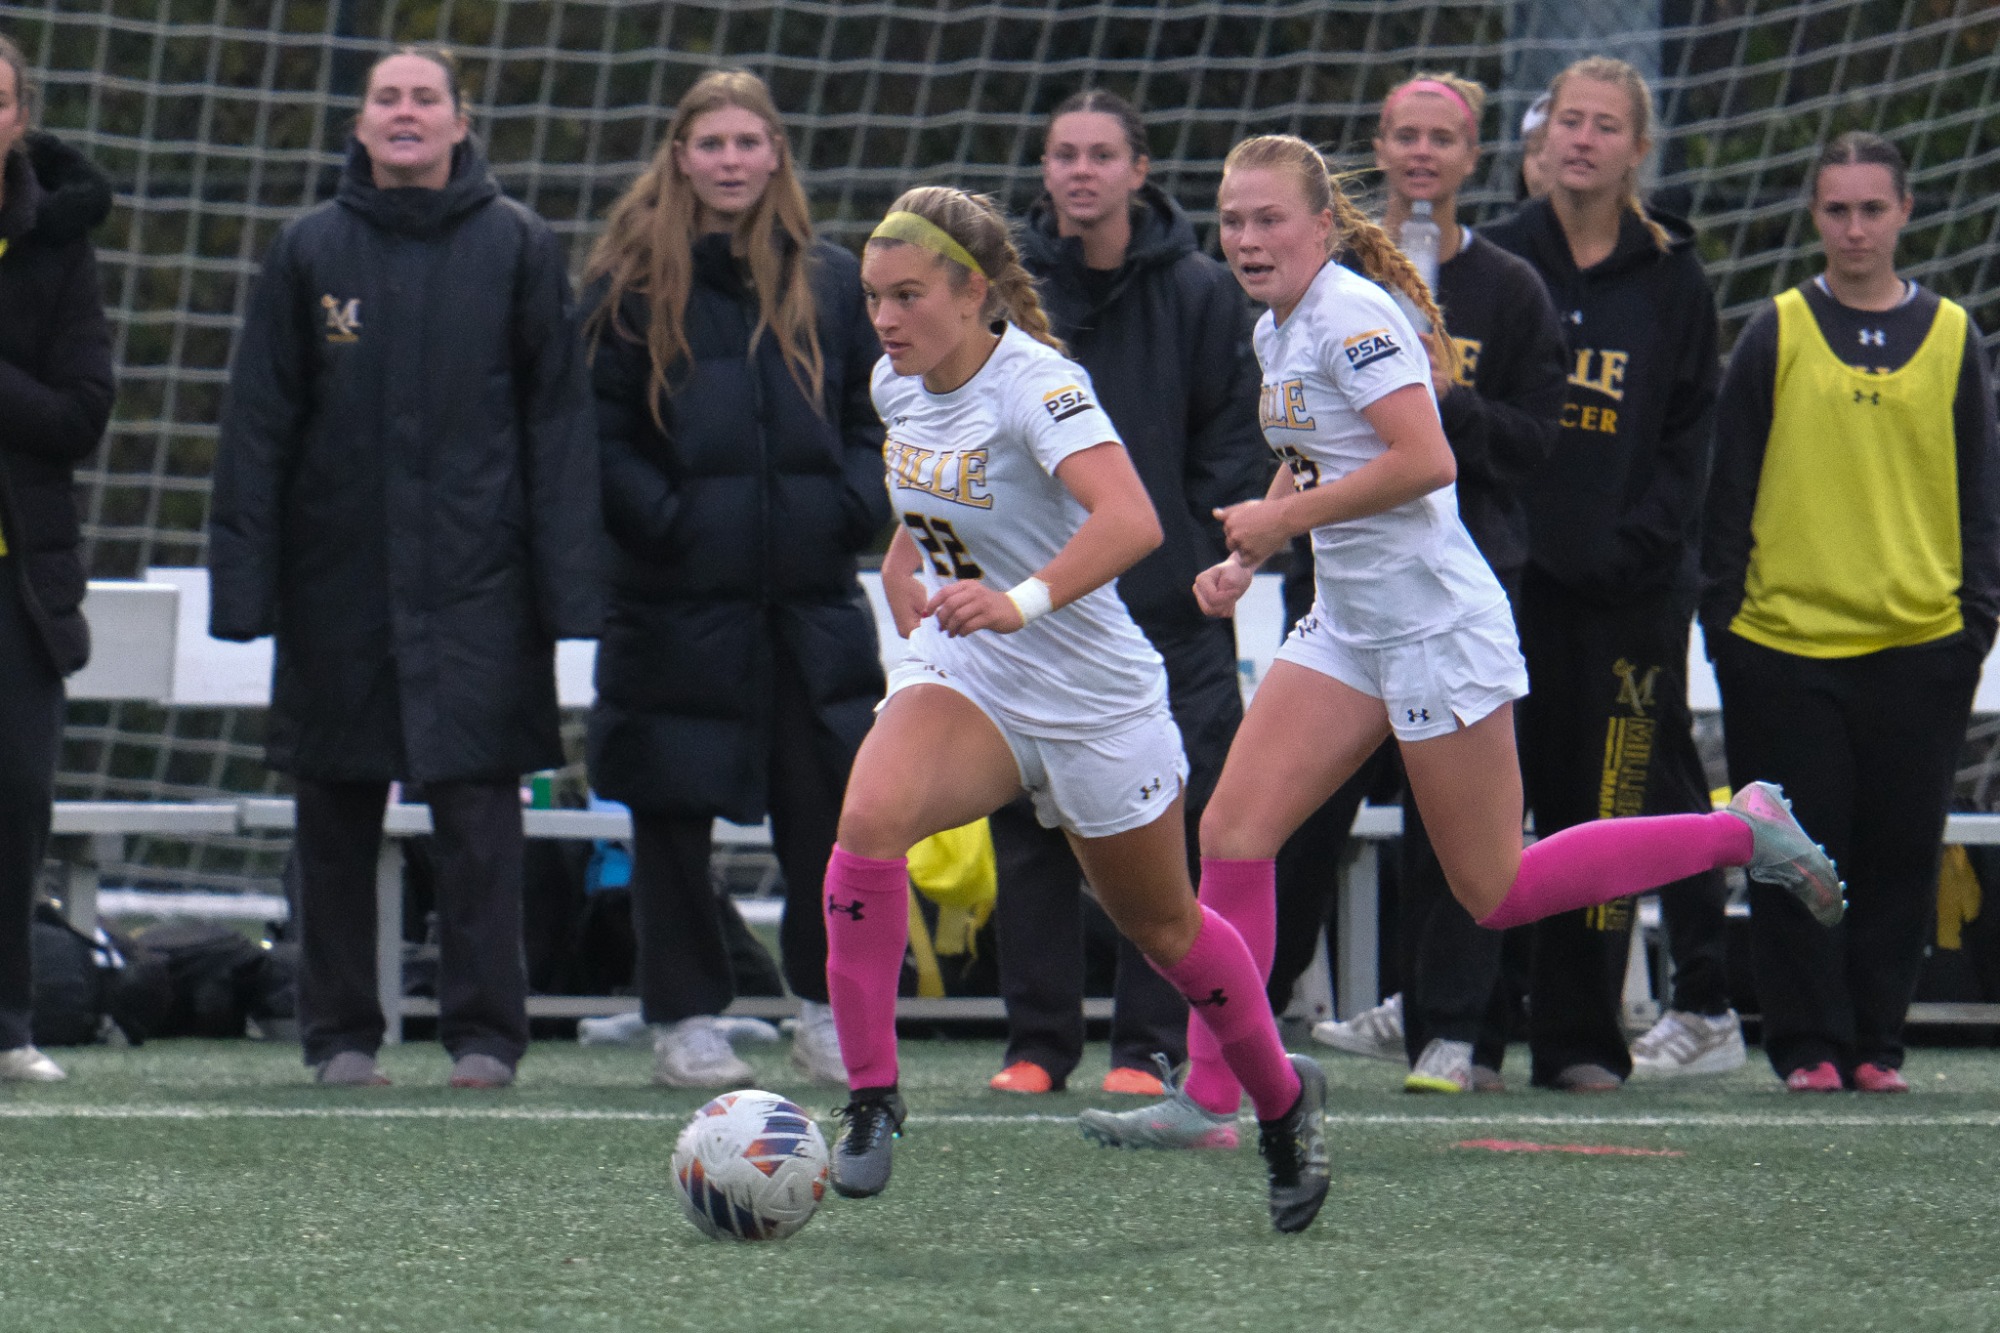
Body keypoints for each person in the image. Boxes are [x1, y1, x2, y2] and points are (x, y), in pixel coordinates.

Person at [1074, 131, 1842, 1150]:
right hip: (1347, 627)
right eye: (1231, 221)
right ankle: (1216, 1098)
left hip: (1434, 628)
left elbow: (1426, 459)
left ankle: (1739, 829)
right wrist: (1248, 557)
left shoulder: (1349, 315)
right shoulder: (1276, 327)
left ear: (1319, 225)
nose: (1246, 239)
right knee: (1230, 834)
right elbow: (1310, 454)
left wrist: (1281, 526)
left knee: (1495, 889)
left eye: (1268, 220)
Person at [819, 185, 1330, 1233]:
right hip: (969, 677)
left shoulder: (1038, 387)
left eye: (907, 295)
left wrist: (1015, 600)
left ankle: (1281, 1105)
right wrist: (905, 557)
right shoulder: (895, 380)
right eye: (874, 296)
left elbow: (1133, 520)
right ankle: (872, 1097)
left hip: (1094, 702)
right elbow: (930, 501)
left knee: (1165, 929)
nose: (884, 318)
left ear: (972, 292)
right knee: (867, 821)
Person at [209, 47, 602, 1089]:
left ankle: (484, 1036)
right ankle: (339, 1035)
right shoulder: (306, 252)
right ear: (360, 123)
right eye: (387, 97)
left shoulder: (519, 245)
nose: (406, 112)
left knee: (479, 820)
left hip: (483, 586)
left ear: (458, 122)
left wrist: (568, 591)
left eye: (425, 97)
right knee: (333, 814)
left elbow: (557, 424)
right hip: (337, 583)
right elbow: (258, 427)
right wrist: (245, 593)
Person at [582, 70, 887, 1088]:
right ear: (679, 156)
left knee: (828, 818)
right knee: (670, 817)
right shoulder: (626, 285)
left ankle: (826, 1011)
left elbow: (869, 416)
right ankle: (682, 1017)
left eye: (746, 143)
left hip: (809, 605)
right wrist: (668, 522)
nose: (728, 161)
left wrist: (846, 506)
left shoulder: (835, 280)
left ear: (775, 155)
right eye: (709, 143)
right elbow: (598, 434)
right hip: (674, 602)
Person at [1702, 132, 2000, 1093]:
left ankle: (1877, 1042)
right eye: (1838, 209)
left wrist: (1974, 622)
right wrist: (1729, 632)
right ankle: (1804, 1046)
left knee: (1900, 853)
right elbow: (1727, 492)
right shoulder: (1776, 329)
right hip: (1785, 647)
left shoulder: (1955, 335)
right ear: (1815, 215)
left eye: (1874, 208)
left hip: (1919, 645)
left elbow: (1981, 495)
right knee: (1794, 855)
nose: (1856, 228)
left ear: (1907, 212)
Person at [1288, 71, 1566, 1095]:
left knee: (1462, 842)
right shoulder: (1320, 286)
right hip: (1341, 589)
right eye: (1400, 134)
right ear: (1376, 143)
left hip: (1454, 580)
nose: (1418, 154)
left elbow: (1532, 442)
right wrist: (1264, 531)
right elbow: (1302, 434)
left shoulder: (1507, 287)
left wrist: (1449, 405)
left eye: (1439, 138)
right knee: (1279, 820)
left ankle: (1448, 1029)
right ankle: (1248, 1024)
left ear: (1469, 157)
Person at [985, 88, 1265, 1098]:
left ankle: (1145, 1045)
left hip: (1160, 617)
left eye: (1101, 154)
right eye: (1063, 153)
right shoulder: (1004, 294)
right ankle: (1036, 1043)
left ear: (1138, 171)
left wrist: (1198, 557)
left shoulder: (1200, 294)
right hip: (1031, 609)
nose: (1080, 171)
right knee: (1028, 833)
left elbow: (1228, 446)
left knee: (1161, 833)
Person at [1482, 56, 1744, 1091]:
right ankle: (1472, 1028)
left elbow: (1689, 436)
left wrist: (1632, 546)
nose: (1580, 140)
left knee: (1607, 809)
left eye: (1603, 126)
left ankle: (1582, 1040)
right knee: (1496, 812)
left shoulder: (1671, 274)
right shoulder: (1499, 262)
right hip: (1505, 589)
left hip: (1628, 599)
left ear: (1636, 148)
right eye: (1565, 123)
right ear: (1539, 142)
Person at [0, 36, 115, 1084]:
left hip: (18, 587)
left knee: (15, 791)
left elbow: (80, 414)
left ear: (19, 115)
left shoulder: (56, 249)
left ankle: (8, 1022)